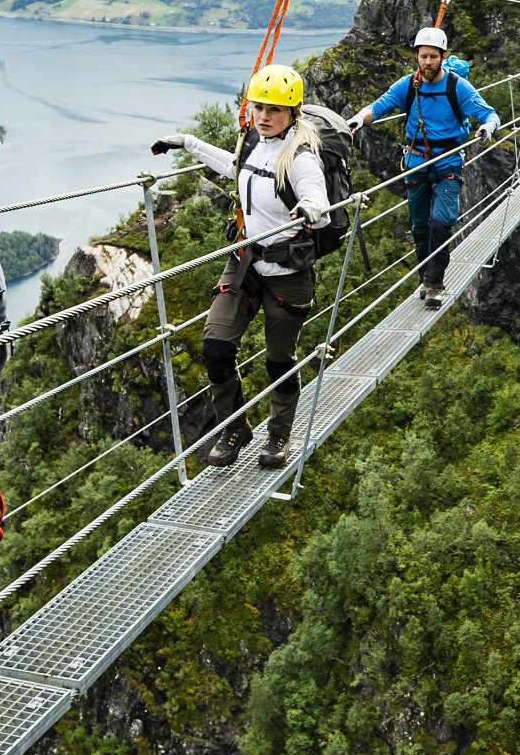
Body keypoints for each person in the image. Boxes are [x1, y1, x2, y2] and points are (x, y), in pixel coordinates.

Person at [151, 64, 329, 469]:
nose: (264, 116)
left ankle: (279, 434)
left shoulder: (300, 157)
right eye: (259, 108)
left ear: (292, 113)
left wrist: (310, 210)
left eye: (274, 110)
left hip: (287, 272)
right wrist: (188, 143)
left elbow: (316, 198)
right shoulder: (252, 143)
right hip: (245, 263)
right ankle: (235, 427)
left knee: (278, 360)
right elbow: (236, 168)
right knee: (216, 345)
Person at [350, 26, 499, 308]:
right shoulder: (408, 85)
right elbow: (379, 106)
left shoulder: (457, 86)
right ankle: (425, 277)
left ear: (443, 57)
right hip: (417, 161)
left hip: (449, 160)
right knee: (420, 227)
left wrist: (488, 127)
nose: (427, 62)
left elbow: (489, 113)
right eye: (423, 56)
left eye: (433, 56)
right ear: (416, 57)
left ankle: (434, 284)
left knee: (441, 223)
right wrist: (358, 119)